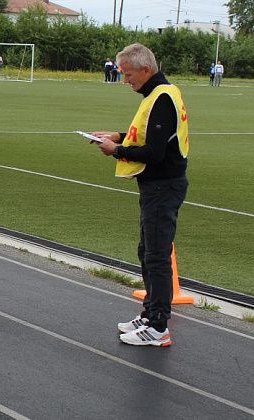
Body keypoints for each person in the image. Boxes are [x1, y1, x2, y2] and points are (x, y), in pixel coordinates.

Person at [92, 43, 189, 347]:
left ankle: (158, 326)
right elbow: (148, 135)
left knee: (157, 256)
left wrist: (116, 151)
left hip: (163, 185)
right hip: (156, 186)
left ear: (146, 70)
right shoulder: (157, 94)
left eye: (128, 73)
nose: (125, 80)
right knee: (146, 251)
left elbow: (155, 152)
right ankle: (149, 314)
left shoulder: (161, 97)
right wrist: (117, 136)